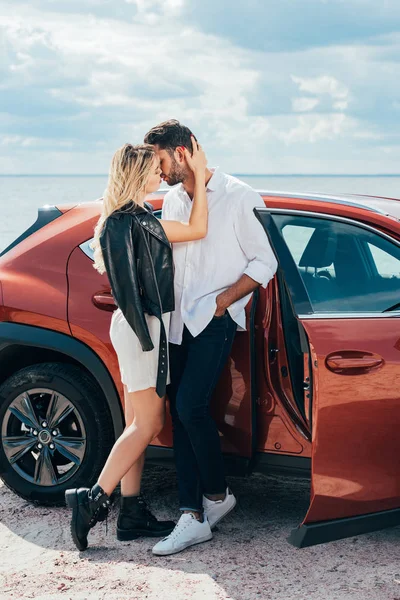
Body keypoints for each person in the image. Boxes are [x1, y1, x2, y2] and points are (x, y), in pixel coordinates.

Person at [64, 139, 208, 551]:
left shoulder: (133, 217)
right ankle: (92, 501)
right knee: (150, 423)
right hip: (142, 327)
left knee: (135, 425)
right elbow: (198, 230)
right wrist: (197, 175)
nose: (160, 175)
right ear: (135, 173)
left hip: (138, 327)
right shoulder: (128, 222)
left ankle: (130, 513)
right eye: (153, 170)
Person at [144, 120, 278, 556]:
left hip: (214, 321)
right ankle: (207, 503)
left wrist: (222, 302)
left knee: (189, 406)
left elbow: (265, 262)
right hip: (177, 322)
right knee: (179, 411)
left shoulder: (240, 196)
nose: (158, 171)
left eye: (161, 160)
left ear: (181, 153)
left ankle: (196, 513)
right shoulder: (172, 200)